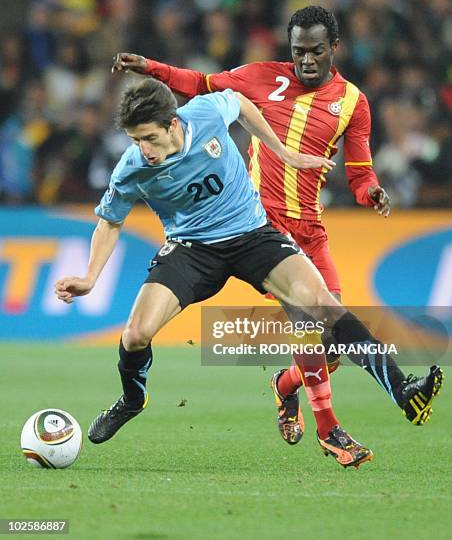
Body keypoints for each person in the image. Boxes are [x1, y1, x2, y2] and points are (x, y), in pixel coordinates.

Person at [110, 5, 444, 443]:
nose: (306, 60)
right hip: (260, 223)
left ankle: (284, 387)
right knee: (312, 323)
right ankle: (343, 422)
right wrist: (151, 68)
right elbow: (201, 85)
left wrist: (371, 192)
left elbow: (360, 170)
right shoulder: (259, 76)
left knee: (334, 343)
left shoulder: (353, 103)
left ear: (334, 49)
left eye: (316, 52)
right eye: (299, 51)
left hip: (311, 226)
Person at [54, 78, 386, 469]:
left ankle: (322, 417)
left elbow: (242, 102)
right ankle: (132, 399)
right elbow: (109, 221)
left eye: (147, 138)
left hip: (249, 236)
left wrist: (281, 152)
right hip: (190, 249)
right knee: (136, 333)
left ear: (172, 124)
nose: (142, 150)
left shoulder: (207, 114)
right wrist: (91, 277)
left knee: (319, 319)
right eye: (134, 140)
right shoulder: (132, 168)